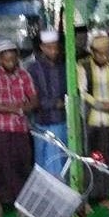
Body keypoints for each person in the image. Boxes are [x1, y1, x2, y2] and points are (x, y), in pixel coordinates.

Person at [0, 39, 38, 217]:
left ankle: (21, 206)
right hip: (1, 130)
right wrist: (16, 108)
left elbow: (34, 100)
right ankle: (0, 205)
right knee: (1, 167)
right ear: (0, 59)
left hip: (21, 129)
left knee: (21, 166)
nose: (10, 62)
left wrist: (25, 107)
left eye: (12, 59)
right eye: (6, 59)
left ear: (17, 58)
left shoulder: (24, 76)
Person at [77, 35, 109, 205]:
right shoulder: (83, 66)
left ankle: (103, 195)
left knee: (105, 157)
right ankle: (86, 198)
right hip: (90, 120)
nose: (104, 56)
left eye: (106, 52)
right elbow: (82, 91)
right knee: (88, 157)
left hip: (108, 120)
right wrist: (98, 104)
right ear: (93, 51)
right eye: (100, 53)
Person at [26, 29, 67, 177]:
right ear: (42, 47)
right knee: (42, 160)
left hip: (60, 121)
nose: (54, 51)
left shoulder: (64, 66)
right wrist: (54, 104)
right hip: (40, 121)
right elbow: (31, 96)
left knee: (58, 160)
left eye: (56, 47)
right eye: (49, 47)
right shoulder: (33, 69)